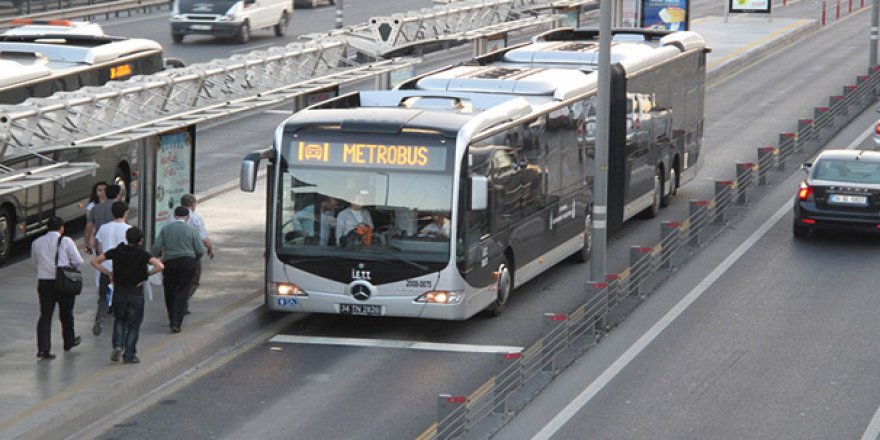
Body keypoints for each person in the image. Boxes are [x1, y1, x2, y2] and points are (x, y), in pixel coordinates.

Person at [92, 227, 163, 364]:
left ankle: (118, 345)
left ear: (126, 237)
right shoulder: (143, 254)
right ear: (141, 240)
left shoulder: (117, 251)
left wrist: (109, 273)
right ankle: (129, 355)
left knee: (119, 320)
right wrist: (146, 275)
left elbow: (94, 261)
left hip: (120, 292)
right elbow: (159, 266)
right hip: (136, 292)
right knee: (134, 324)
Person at [31, 217, 84, 360]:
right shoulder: (66, 241)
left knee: (45, 315)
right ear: (61, 228)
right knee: (66, 313)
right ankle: (69, 341)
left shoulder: (36, 243)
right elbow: (78, 261)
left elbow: (35, 264)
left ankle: (43, 349)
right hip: (63, 281)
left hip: (44, 282)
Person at [153, 206, 206, 333]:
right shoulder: (192, 230)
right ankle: (176, 322)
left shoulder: (166, 229)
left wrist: (156, 257)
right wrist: (194, 258)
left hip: (170, 262)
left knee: (169, 289)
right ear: (187, 218)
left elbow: (156, 246)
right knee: (182, 291)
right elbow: (200, 250)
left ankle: (172, 317)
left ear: (174, 216)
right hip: (187, 262)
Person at [91, 200, 131, 336]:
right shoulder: (128, 230)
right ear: (126, 213)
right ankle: (122, 323)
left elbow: (99, 248)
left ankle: (100, 318)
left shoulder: (103, 228)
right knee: (122, 297)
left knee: (103, 296)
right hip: (122, 270)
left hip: (106, 268)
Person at [180, 193, 213, 313]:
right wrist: (210, 248)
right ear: (193, 205)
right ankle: (182, 300)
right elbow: (203, 238)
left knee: (179, 280)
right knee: (194, 280)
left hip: (175, 254)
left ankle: (182, 303)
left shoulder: (172, 216)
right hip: (192, 254)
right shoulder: (196, 218)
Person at [83, 181, 107, 255]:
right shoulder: (91, 207)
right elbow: (90, 226)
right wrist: (88, 243)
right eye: (100, 190)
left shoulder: (112, 203)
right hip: (98, 237)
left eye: (105, 190)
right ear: (96, 193)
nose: (103, 192)